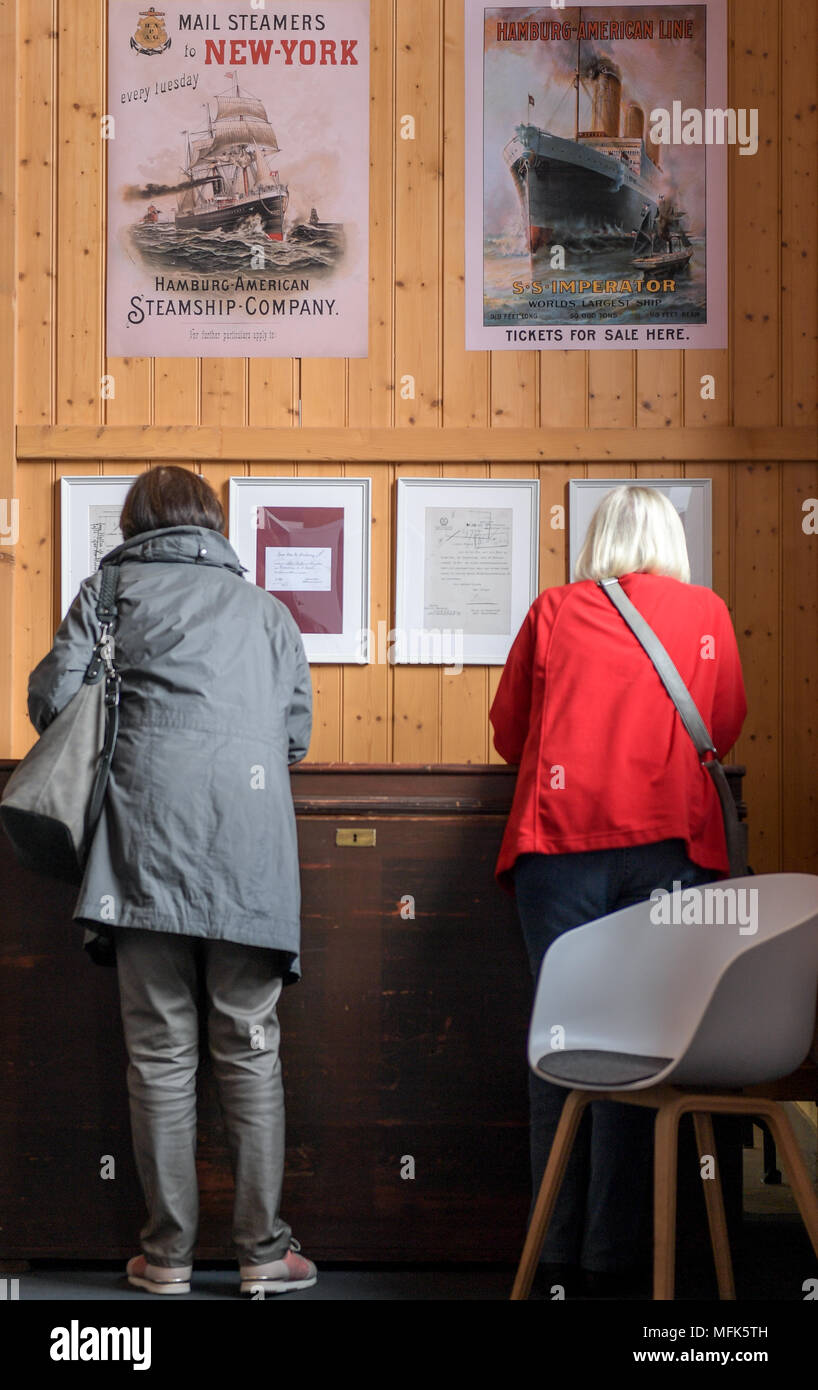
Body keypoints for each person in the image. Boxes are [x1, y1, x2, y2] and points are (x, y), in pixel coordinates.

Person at [27, 466, 316, 1297]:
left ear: (132, 522)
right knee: (251, 1052)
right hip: (250, 855)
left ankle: (167, 1260)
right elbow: (293, 737)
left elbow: (54, 703)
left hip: (142, 849)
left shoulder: (109, 590)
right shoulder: (268, 612)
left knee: (158, 1055)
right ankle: (264, 1257)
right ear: (213, 525)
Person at [490, 485, 747, 1295]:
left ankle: (553, 1257)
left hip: (558, 850)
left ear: (598, 538)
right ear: (672, 540)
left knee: (561, 1049)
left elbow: (509, 733)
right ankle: (616, 1260)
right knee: (643, 1052)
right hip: (669, 848)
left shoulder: (554, 610)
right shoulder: (706, 612)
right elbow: (725, 723)